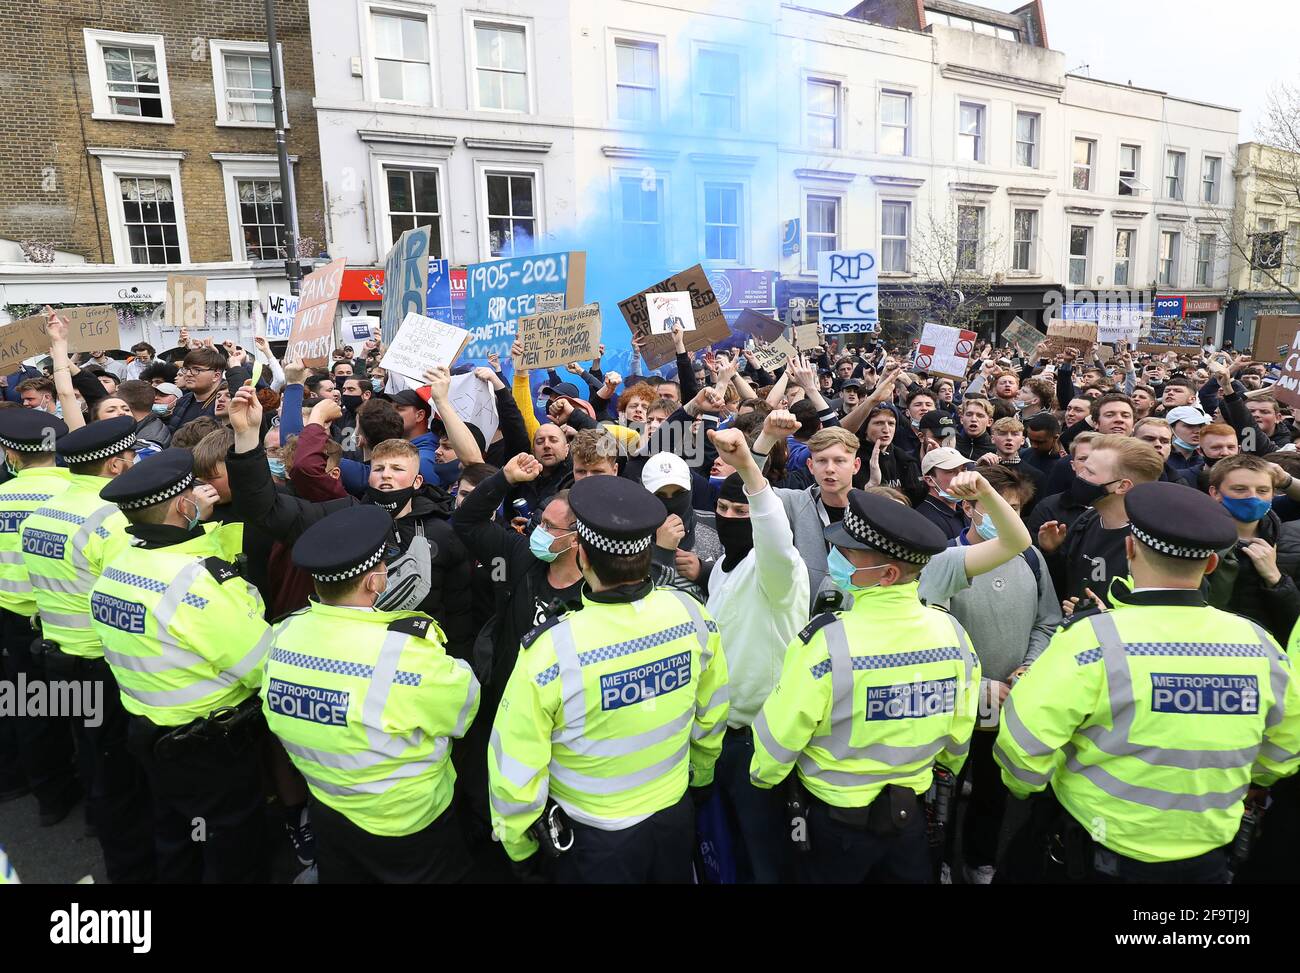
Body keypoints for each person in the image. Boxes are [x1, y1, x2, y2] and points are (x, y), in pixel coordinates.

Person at [996, 482, 1300, 884]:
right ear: (1211, 564)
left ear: (1129, 550)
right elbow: (1283, 750)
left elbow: (1022, 748)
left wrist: (1032, 788)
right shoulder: (1259, 644)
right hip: (1208, 851)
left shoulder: (1092, 640)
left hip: (1098, 844)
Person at [487, 476, 730, 883]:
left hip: (593, 839)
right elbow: (712, 711)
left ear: (581, 555)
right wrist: (700, 778)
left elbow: (515, 765)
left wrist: (519, 847)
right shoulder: (691, 614)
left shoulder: (552, 649)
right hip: (673, 814)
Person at [749, 489, 980, 884]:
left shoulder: (827, 641)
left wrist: (763, 779)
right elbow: (959, 734)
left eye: (848, 553)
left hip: (835, 825)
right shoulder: (952, 633)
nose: (835, 557)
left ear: (888, 574)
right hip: (911, 817)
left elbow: (778, 740)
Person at [262, 505, 479, 883]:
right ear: (374, 583)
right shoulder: (404, 651)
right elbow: (464, 709)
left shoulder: (282, 634)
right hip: (408, 825)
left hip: (329, 810)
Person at [90, 449, 273, 883]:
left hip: (148, 730)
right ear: (183, 504)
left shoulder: (119, 565)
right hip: (208, 746)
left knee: (177, 837)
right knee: (232, 850)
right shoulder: (195, 583)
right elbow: (259, 663)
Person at [21, 416, 153, 882]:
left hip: (56, 654)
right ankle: (128, 865)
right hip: (102, 662)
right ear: (116, 464)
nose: (135, 464)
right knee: (117, 764)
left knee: (90, 747)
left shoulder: (45, 513)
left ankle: (100, 820)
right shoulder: (112, 522)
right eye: (132, 457)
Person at [917, 466, 1058, 884]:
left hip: (1011, 699)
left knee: (994, 790)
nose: (1005, 517)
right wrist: (974, 685)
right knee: (942, 788)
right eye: (994, 507)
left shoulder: (1032, 558)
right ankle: (939, 859)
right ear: (968, 507)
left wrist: (1029, 667)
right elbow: (929, 639)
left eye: (1014, 509)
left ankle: (979, 859)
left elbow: (1047, 621)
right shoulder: (942, 562)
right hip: (957, 700)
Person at [703, 425, 809, 883]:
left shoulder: (778, 572)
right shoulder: (721, 570)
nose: (730, 516)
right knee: (729, 851)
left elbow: (773, 538)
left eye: (741, 510)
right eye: (723, 509)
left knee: (768, 856)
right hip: (717, 736)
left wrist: (750, 469)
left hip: (760, 739)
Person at [0, 408, 79, 826]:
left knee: (30, 710)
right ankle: (92, 801)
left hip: (14, 620)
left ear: (11, 454)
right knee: (87, 713)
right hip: (71, 623)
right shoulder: (77, 495)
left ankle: (50, 796)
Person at [1037, 435, 1163, 609]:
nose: (1080, 476)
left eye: (1090, 472)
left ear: (1122, 486)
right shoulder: (1086, 521)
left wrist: (1103, 618)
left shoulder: (1152, 544)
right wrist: (1052, 551)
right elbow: (1063, 583)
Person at [1203, 454, 1300, 642]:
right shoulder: (1196, 540)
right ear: (1215, 493)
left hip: (1270, 655)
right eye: (1240, 489)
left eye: (1263, 490)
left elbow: (1295, 625)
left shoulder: (1290, 544)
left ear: (1273, 494)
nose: (1253, 497)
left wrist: (1276, 579)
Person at [916, 446, 971, 541]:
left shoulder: (965, 508)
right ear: (930, 480)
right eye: (951, 471)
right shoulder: (924, 519)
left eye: (963, 470)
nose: (961, 475)